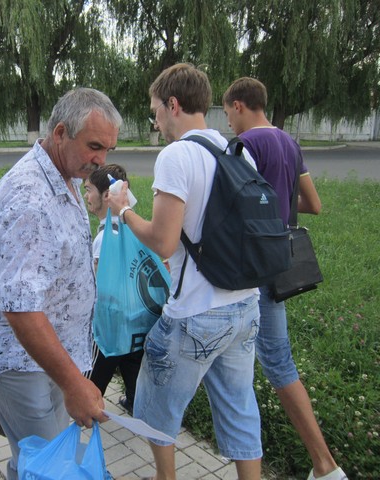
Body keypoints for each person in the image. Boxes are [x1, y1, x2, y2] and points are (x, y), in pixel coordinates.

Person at [108, 63, 263, 480]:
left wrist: (123, 210)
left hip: (196, 311)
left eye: (155, 111)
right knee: (239, 407)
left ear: (172, 104)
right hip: (245, 305)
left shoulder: (177, 155)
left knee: (154, 405)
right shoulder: (237, 150)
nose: (156, 122)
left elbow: (163, 241)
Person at [0, 87, 122, 479]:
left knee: (39, 458)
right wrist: (74, 384)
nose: (101, 160)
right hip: (23, 363)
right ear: (60, 133)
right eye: (94, 146)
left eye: (108, 149)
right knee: (47, 466)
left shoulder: (63, 174)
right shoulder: (29, 198)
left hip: (50, 359)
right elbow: (20, 308)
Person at [222, 77, 347, 480]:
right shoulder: (290, 143)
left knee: (269, 362)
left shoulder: (244, 145)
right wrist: (277, 205)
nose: (228, 123)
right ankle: (323, 466)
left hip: (250, 269)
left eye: (227, 114)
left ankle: (325, 466)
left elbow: (232, 208)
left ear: (238, 105)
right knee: (268, 361)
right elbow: (314, 204)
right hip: (279, 264)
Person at [84, 164, 143, 416]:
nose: (86, 196)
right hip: (136, 317)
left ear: (107, 195)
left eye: (89, 190)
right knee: (132, 364)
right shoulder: (132, 226)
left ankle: (87, 410)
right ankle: (135, 404)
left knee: (95, 374)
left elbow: (99, 284)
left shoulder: (103, 237)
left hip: (110, 323)